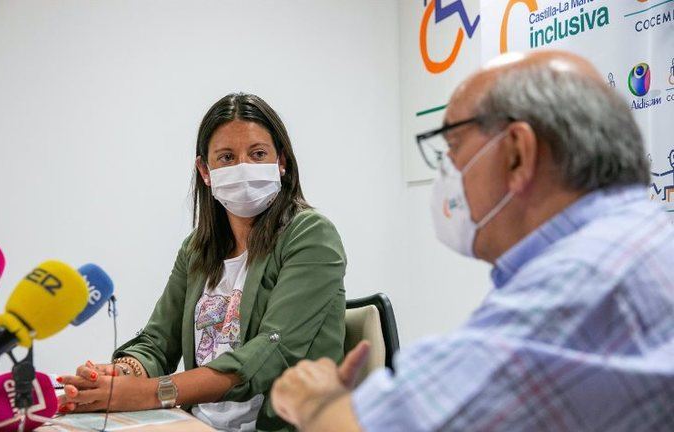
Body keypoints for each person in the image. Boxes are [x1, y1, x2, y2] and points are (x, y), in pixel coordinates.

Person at [270, 50, 674, 431]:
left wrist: (317, 402)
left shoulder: (582, 282)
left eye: (453, 146)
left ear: (517, 154)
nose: (447, 170)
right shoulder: (641, 240)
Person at [57, 93, 347, 432]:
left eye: (258, 154)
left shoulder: (311, 235)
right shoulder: (196, 249)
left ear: (281, 161)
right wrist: (120, 374)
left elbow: (271, 352)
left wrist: (151, 392)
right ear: (205, 171)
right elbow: (157, 341)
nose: (243, 167)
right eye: (226, 157)